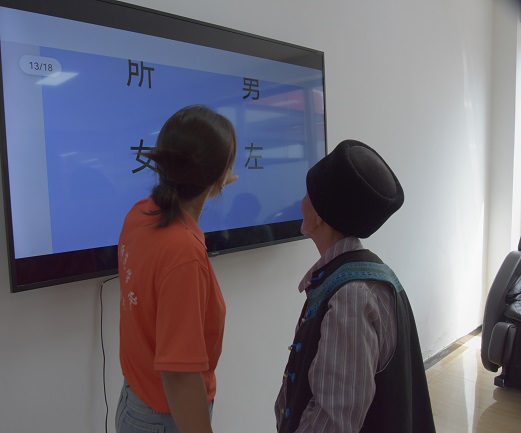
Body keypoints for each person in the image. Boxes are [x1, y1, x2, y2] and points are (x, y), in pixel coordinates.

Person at [275, 139, 436, 433]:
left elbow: (332, 420)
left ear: (320, 214)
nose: (301, 201)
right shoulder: (361, 276)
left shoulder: (351, 296)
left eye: (307, 193)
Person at [116, 105, 237, 433]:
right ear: (217, 179)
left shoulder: (140, 214)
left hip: (135, 400)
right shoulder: (183, 253)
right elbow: (180, 376)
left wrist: (216, 179)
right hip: (166, 417)